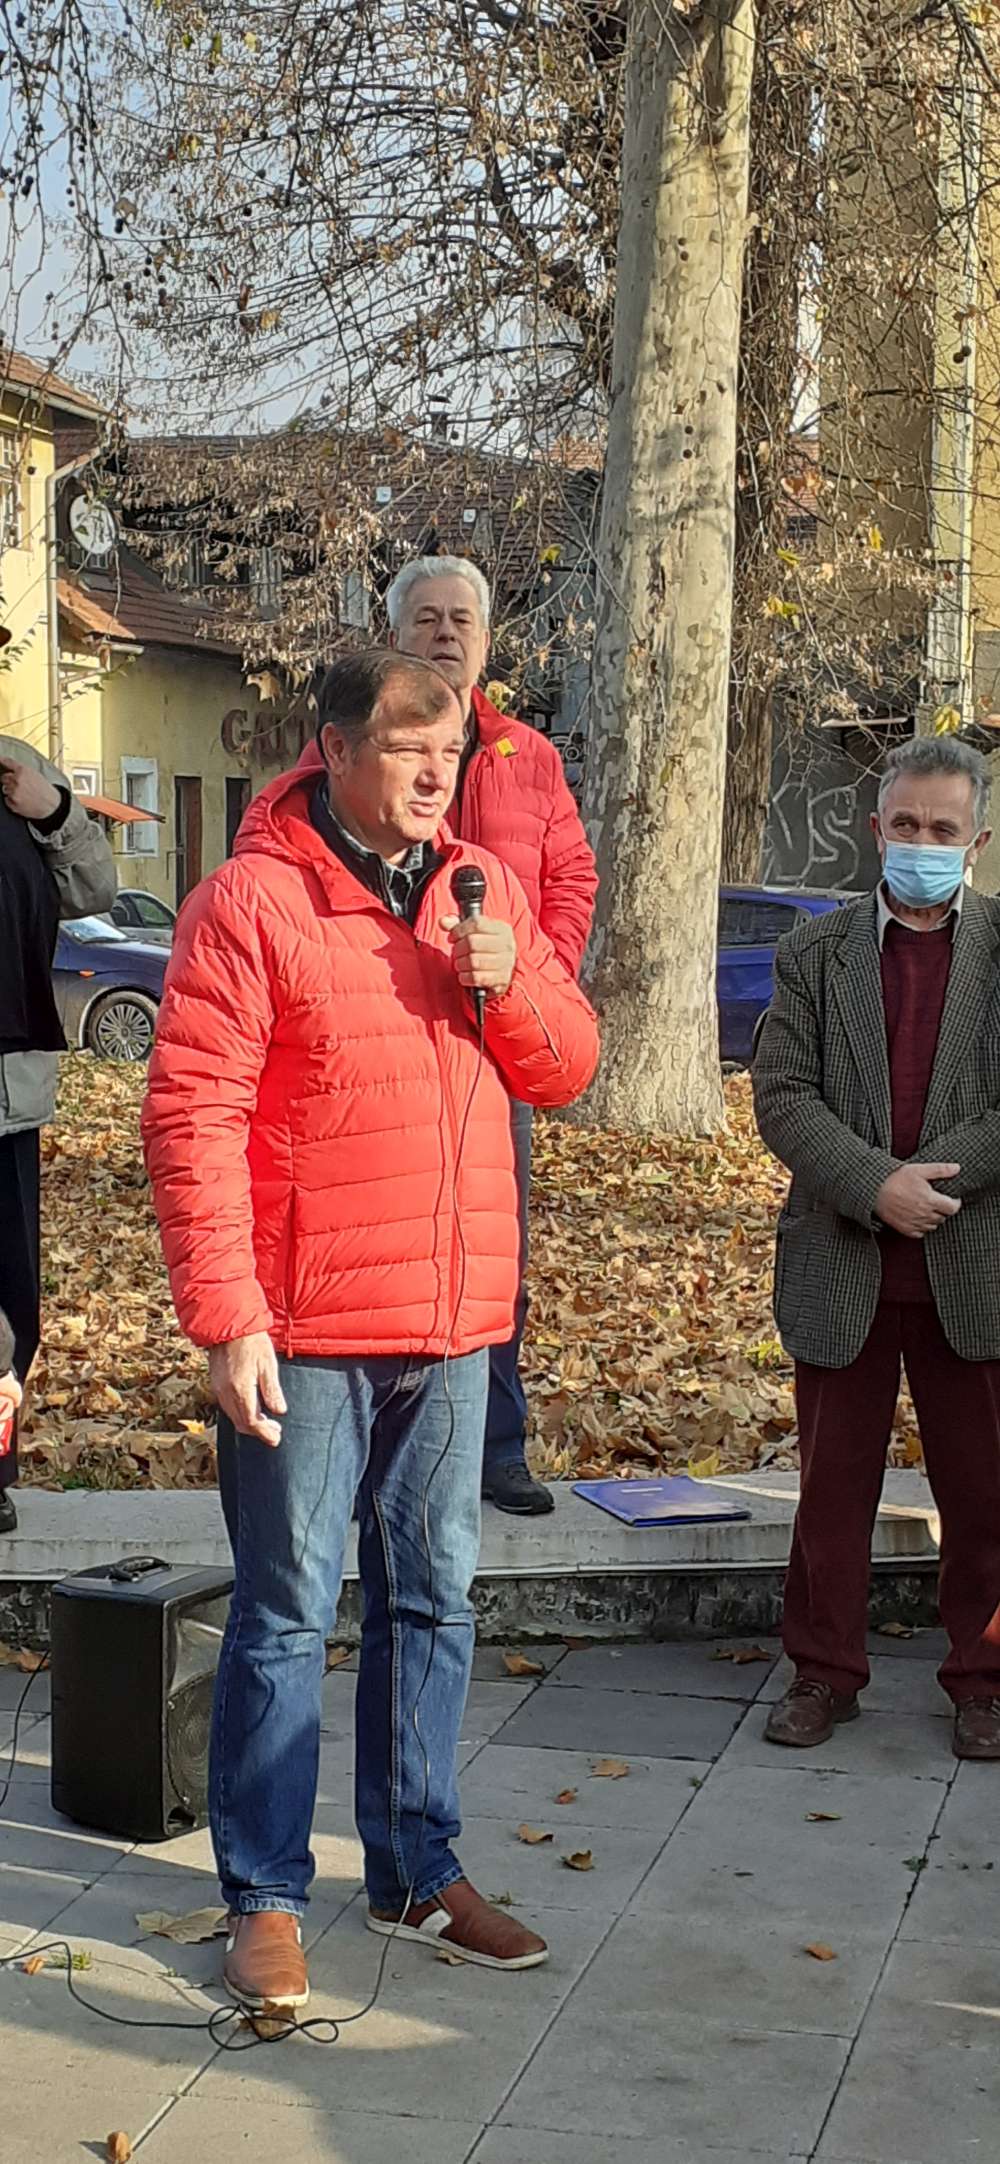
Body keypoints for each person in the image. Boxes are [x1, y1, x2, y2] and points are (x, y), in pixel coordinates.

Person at [141, 649, 599, 2013]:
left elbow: (566, 1068)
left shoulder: (479, 890)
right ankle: (266, 1896)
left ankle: (414, 1870)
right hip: (307, 1327)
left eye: (449, 752)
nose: (433, 774)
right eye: (407, 747)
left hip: (452, 1330)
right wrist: (227, 1317)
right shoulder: (251, 902)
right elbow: (192, 1117)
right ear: (333, 749)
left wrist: (510, 981)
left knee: (433, 1600)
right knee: (286, 1613)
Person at [754, 734, 1000, 1761]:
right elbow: (781, 1095)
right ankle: (822, 1672)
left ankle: (984, 1679)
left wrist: (930, 1186)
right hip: (842, 1259)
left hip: (973, 1265)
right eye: (905, 825)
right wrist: (873, 1186)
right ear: (875, 829)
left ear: (975, 841)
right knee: (831, 1491)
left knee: (985, 1493)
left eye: (942, 830)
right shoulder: (814, 953)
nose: (921, 844)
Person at [388, 555, 598, 1515]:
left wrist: (535, 976)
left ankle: (495, 1445)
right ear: (396, 636)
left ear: (485, 639)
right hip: (389, 1040)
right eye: (426, 618)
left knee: (494, 1249)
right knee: (391, 1245)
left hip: (498, 1051)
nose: (444, 633)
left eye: (461, 619)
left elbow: (573, 877)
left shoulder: (528, 757)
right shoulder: (353, 746)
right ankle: (391, 1445)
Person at [0, 737, 117, 1533]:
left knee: (12, 1302)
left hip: (10, 1090)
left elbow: (96, 888)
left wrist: (57, 812)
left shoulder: (19, 769)